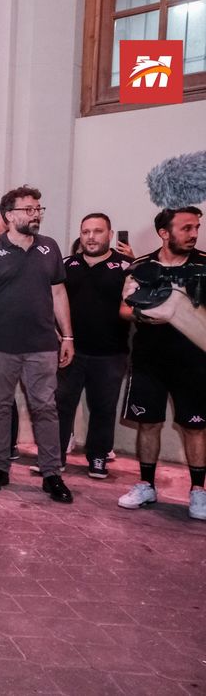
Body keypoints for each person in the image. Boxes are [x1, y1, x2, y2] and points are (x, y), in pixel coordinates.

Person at [0, 186, 74, 503]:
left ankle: (51, 474)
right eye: (29, 209)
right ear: (9, 215)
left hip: (42, 346)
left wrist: (67, 335)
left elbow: (58, 293)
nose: (36, 214)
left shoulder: (50, 248)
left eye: (39, 209)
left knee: (46, 409)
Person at [118, 206, 206, 520]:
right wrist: (145, 314)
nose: (194, 234)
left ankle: (198, 491)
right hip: (148, 361)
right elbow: (125, 310)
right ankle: (146, 484)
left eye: (196, 227)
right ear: (164, 233)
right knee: (149, 423)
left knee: (196, 427)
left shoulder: (204, 266)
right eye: (186, 228)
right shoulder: (141, 267)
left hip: (194, 363)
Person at [54, 213, 131, 479]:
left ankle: (98, 457)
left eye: (97, 231)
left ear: (110, 235)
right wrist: (58, 334)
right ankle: (55, 458)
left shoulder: (126, 266)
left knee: (103, 407)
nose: (91, 237)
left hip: (111, 353)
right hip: (70, 351)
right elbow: (51, 302)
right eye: (86, 231)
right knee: (61, 404)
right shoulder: (66, 265)